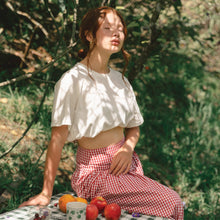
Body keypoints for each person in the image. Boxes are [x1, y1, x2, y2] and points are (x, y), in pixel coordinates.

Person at [19, 6, 184, 219]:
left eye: (120, 29)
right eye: (107, 28)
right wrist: (46, 192)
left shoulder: (121, 80)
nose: (116, 34)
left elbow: (134, 126)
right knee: (172, 202)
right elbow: (57, 138)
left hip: (126, 167)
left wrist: (127, 148)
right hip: (94, 175)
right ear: (89, 35)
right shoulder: (72, 81)